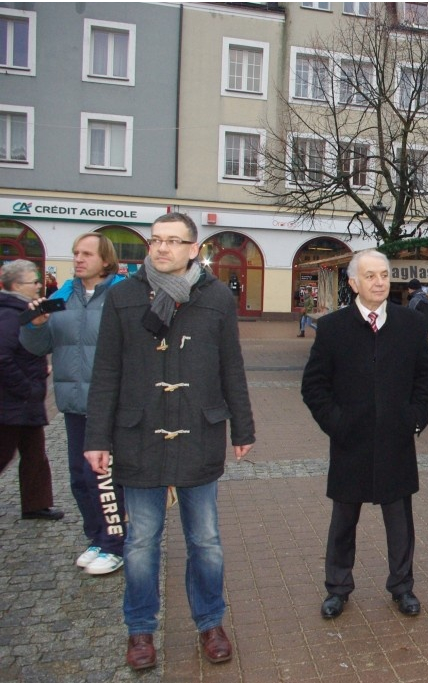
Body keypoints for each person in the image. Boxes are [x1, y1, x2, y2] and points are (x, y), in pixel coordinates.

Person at [83, 212, 255, 671]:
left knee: (206, 540)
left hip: (199, 431)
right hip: (139, 435)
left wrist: (244, 428)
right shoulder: (123, 296)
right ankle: (140, 630)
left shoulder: (216, 297)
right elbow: (105, 374)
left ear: (193, 249)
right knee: (141, 542)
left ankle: (210, 622)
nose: (162, 249)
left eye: (174, 241)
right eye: (156, 240)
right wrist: (97, 436)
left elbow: (231, 367)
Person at [301, 250, 428, 620]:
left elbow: (426, 380)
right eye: (371, 276)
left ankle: (402, 587)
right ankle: (338, 588)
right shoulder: (332, 328)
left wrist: (414, 418)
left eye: (384, 275)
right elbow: (314, 386)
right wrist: (337, 422)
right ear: (354, 283)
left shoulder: (411, 324)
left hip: (396, 441)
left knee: (400, 522)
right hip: (350, 443)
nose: (379, 282)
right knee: (344, 520)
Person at [21, 233, 126, 574]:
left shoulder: (121, 297)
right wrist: (36, 326)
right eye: (75, 253)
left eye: (86, 254)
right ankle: (96, 538)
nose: (78, 259)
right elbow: (38, 347)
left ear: (105, 261)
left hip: (108, 403)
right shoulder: (62, 297)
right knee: (79, 478)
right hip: (73, 402)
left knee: (104, 478)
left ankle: (114, 544)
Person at [0, 260, 64, 523]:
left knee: (35, 454)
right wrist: (25, 387)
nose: (39, 285)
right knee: (4, 452)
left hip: (25, 398)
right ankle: (36, 504)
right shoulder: (9, 314)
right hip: (11, 401)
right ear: (16, 286)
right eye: (33, 282)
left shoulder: (21, 310)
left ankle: (37, 504)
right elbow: (2, 357)